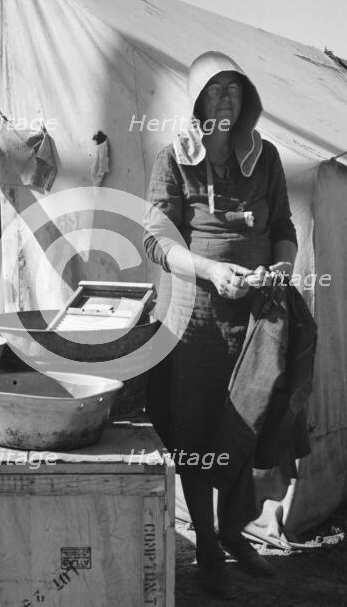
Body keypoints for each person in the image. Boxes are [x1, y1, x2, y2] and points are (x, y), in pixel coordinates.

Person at [143, 51, 298, 600]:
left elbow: (283, 228)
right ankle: (207, 544)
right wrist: (210, 270)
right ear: (198, 100)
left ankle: (234, 531)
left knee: (250, 419)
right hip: (195, 323)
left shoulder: (267, 158)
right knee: (195, 429)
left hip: (255, 317)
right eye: (217, 90)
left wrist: (280, 270)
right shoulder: (173, 159)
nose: (227, 99)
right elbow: (156, 240)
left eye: (235, 89)